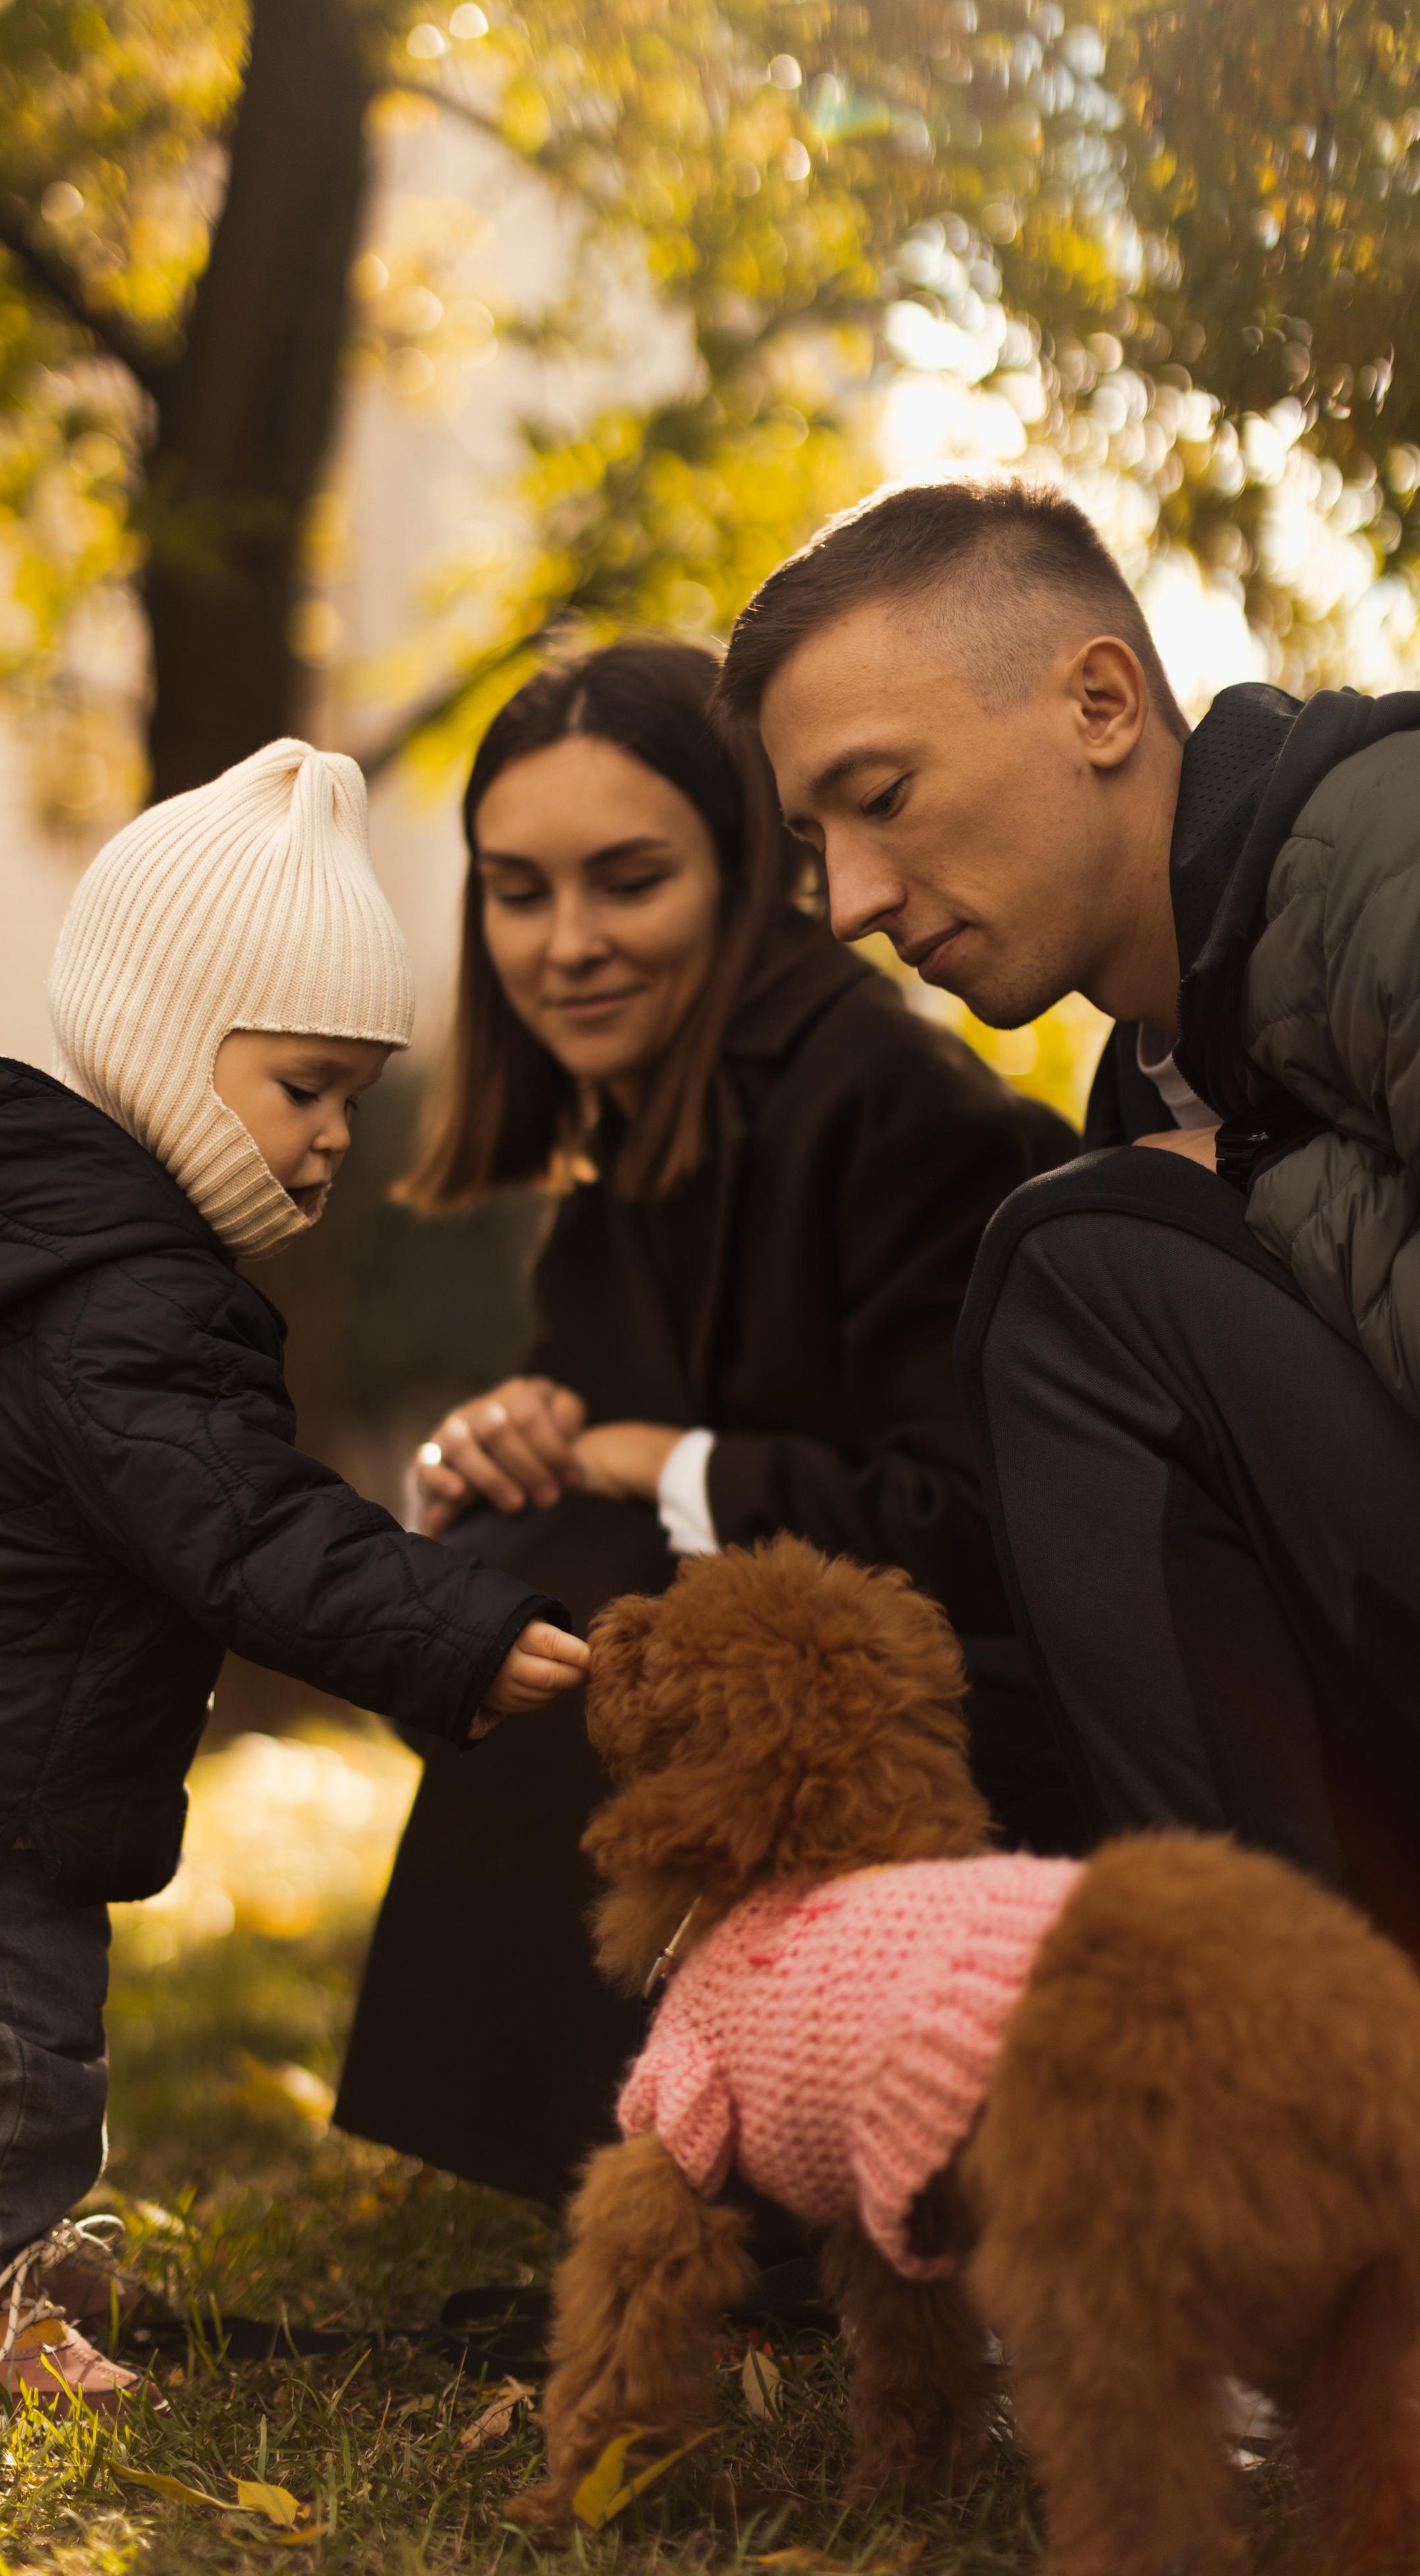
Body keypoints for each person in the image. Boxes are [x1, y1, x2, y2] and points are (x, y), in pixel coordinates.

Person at [0, 738, 588, 2416]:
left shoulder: (57, 1248)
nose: (334, 1137)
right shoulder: (123, 1298)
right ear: (166, 1043)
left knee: (6, 2022)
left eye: (352, 1101)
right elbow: (243, 1528)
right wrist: (455, 1629)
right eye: (304, 1088)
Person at [332, 642, 1076, 2210]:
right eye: (518, 892)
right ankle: (631, 2134)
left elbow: (972, 1527)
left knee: (572, 1583)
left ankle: (742, 2151)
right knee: (500, 1573)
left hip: (974, 1753)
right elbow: (582, 1471)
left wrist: (649, 1465)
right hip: (791, 1716)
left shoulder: (892, 1104)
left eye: (629, 880)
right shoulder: (633, 1141)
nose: (568, 943)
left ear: (746, 872)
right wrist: (497, 1454)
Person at [717, 472, 1420, 1943]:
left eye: (881, 799)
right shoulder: (1145, 1086)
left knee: (1070, 1261)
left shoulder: (1385, 851)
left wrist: (1251, 1176)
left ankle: (1257, 2031)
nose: (847, 902)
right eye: (814, 843)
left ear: (1101, 705)